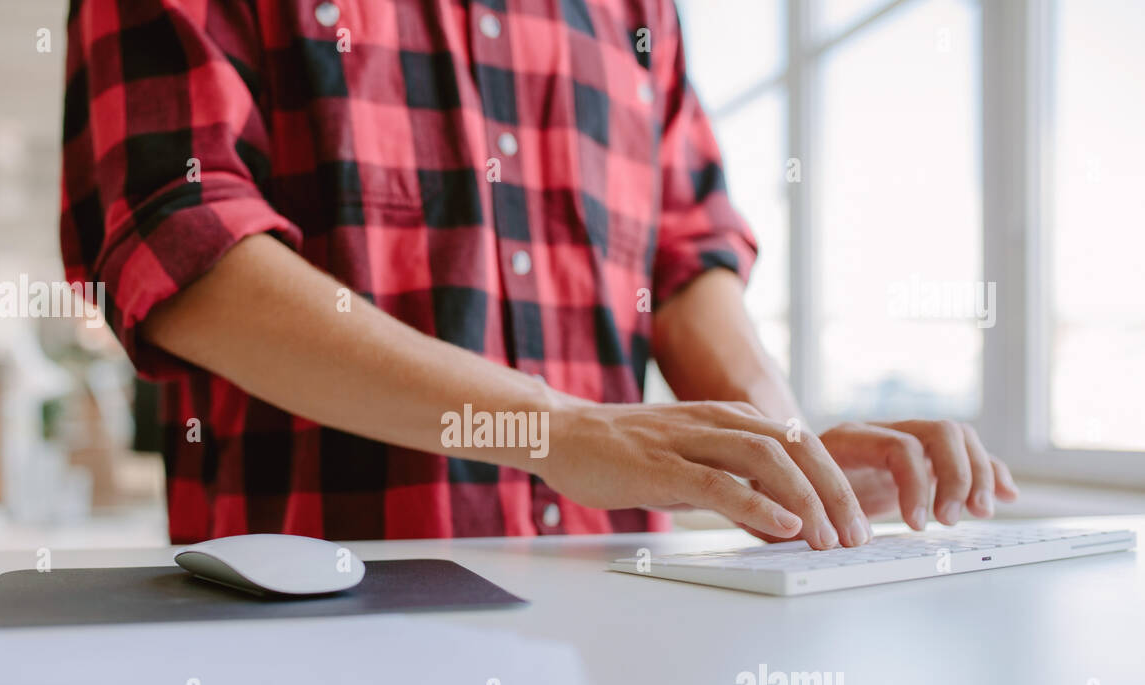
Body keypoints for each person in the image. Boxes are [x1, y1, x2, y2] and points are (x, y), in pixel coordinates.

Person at [60, 0, 1017, 547]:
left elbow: (687, 254)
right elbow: (183, 251)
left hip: (619, 626)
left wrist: (787, 449)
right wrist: (555, 430)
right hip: (320, 612)